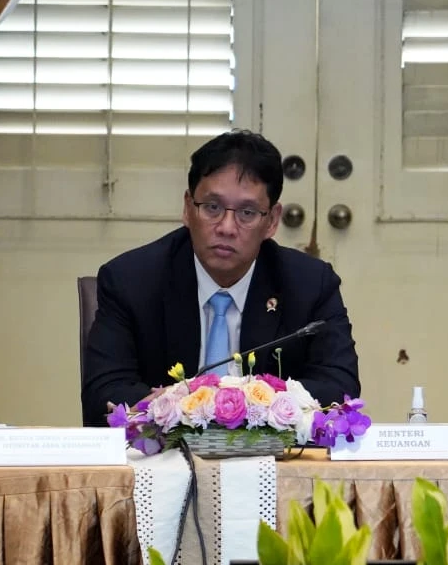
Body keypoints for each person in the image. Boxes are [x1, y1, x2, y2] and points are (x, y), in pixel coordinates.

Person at [81, 130, 360, 426]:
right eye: (212, 207)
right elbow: (104, 393)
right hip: (164, 452)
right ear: (188, 208)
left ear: (272, 221)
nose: (226, 227)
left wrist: (247, 405)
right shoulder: (131, 280)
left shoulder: (310, 285)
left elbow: (339, 387)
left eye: (247, 212)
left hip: (273, 454)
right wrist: (178, 406)